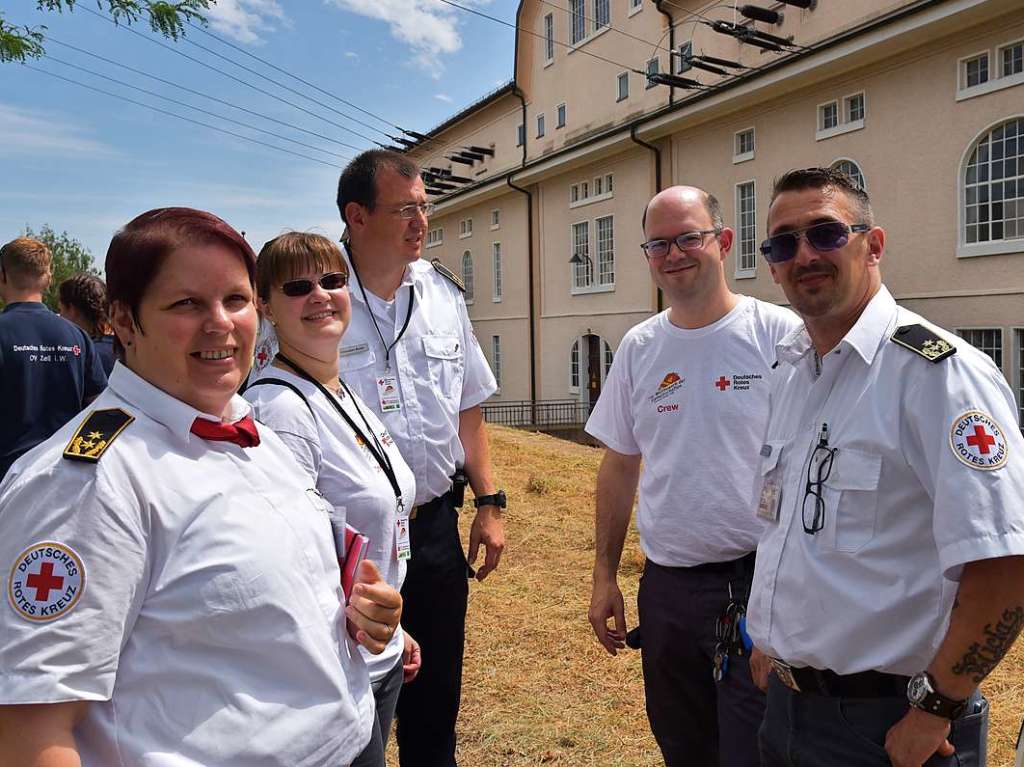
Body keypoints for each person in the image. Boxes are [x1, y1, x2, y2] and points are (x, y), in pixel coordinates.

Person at [0, 208, 403, 766]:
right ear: (122, 318)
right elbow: (29, 732)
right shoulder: (85, 485)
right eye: (186, 303)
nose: (220, 323)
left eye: (235, 300)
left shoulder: (248, 427)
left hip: (349, 741)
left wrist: (356, 608)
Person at [747, 167, 1024, 767]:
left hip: (888, 723)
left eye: (824, 233)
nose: (804, 255)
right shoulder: (794, 372)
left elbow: (1004, 566)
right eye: (782, 243)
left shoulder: (940, 375)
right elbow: (791, 527)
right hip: (788, 712)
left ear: (872, 245)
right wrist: (774, 641)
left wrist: (936, 708)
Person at [585, 186, 800, 766]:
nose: (673, 253)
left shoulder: (780, 335)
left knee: (754, 748)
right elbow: (620, 464)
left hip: (757, 581)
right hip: (669, 588)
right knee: (682, 745)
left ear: (723, 242)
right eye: (658, 243)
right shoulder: (640, 348)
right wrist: (606, 574)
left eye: (688, 237)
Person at [335, 149, 505, 767]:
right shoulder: (315, 297)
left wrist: (489, 501)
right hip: (348, 539)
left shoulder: (440, 293)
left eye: (425, 207)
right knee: (355, 709)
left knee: (436, 710)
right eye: (405, 209)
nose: (421, 221)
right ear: (357, 215)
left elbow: (468, 405)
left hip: (433, 528)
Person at [243, 231, 421, 767]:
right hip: (333, 673)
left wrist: (392, 622)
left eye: (333, 280)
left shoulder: (341, 391)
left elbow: (360, 525)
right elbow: (289, 558)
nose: (320, 295)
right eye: (297, 286)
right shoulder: (280, 410)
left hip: (374, 651)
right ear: (266, 307)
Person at [0, 237, 106, 480]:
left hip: (7, 476)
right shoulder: (77, 336)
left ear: (2, 276)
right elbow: (100, 407)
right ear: (48, 278)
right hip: (63, 475)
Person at [58, 272, 117, 375]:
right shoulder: (123, 350)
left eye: (61, 310)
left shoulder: (79, 358)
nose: (60, 317)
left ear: (72, 310)